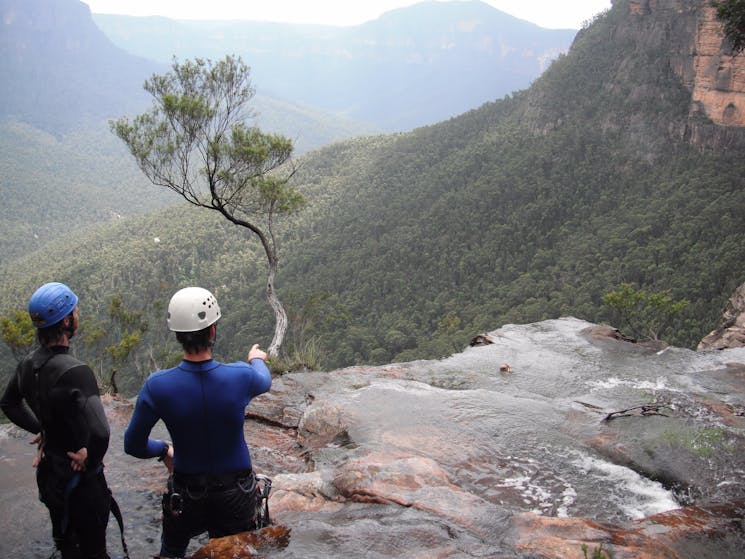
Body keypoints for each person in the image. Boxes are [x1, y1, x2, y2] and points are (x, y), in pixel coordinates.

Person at [124, 286, 272, 559]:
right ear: (212, 331)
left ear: (177, 335)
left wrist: (163, 450)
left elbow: (132, 444)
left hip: (185, 493)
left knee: (171, 552)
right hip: (235, 493)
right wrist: (255, 359)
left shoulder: (157, 386)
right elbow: (264, 379)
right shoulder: (240, 376)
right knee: (234, 553)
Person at [0, 282, 113, 559]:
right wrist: (90, 458)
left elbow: (9, 404)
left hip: (51, 473)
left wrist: (43, 430)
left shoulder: (27, 364)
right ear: (66, 320)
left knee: (65, 542)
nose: (78, 315)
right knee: (94, 549)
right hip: (81, 481)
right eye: (75, 311)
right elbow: (100, 432)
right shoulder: (76, 371)